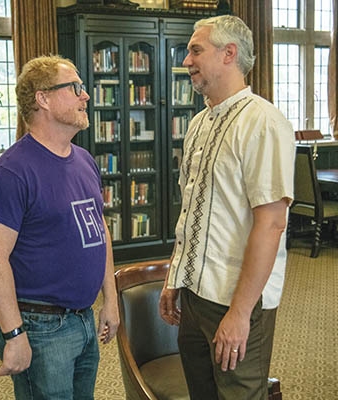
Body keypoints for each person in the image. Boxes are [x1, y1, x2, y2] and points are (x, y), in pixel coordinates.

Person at [159, 15, 295, 400]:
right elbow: (192, 211)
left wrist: (238, 313)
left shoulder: (263, 122)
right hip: (195, 294)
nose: (187, 60)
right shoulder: (199, 123)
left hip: (238, 301)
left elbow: (270, 225)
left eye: (195, 50)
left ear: (229, 53)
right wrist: (175, 276)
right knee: (201, 393)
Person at [0, 55, 119, 400]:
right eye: (75, 88)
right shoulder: (12, 172)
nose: (86, 96)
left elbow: (98, 228)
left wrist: (111, 300)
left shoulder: (84, 160)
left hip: (83, 320)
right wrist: (14, 335)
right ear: (42, 98)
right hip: (41, 328)